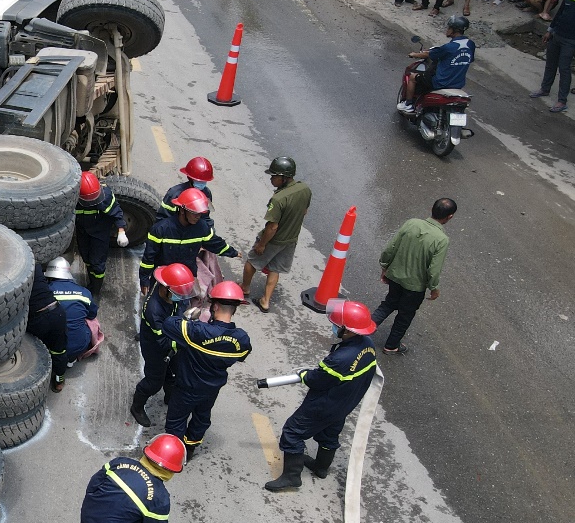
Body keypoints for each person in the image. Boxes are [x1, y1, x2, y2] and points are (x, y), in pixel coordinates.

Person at [264, 300, 378, 492]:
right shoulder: (368, 345)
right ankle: (321, 467)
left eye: (338, 325)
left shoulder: (339, 360)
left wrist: (304, 375)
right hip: (345, 403)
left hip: (324, 404)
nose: (334, 327)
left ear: (348, 330)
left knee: (292, 432)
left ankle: (291, 477)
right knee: (329, 434)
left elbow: (316, 380)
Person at [162, 281, 250, 456]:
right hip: (211, 389)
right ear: (234, 309)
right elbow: (241, 356)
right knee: (201, 418)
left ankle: (174, 454)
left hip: (187, 387)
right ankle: (190, 448)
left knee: (176, 420)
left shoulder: (198, 331)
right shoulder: (242, 339)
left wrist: (187, 318)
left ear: (215, 307)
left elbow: (169, 324)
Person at [371, 198, 455, 355]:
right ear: (450, 217)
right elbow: (434, 270)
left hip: (395, 277)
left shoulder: (412, 223)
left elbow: (391, 247)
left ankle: (361, 330)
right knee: (405, 315)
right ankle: (391, 345)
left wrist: (385, 267)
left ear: (432, 208)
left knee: (388, 304)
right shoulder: (442, 239)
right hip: (415, 287)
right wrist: (434, 288)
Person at [239, 156, 311, 313]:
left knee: (252, 261)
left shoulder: (278, 199)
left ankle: (244, 288)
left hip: (273, 240)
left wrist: (262, 244)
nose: (271, 179)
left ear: (284, 177)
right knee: (275, 268)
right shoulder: (304, 189)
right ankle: (265, 300)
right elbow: (304, 211)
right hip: (291, 239)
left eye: (274, 176)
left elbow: (272, 227)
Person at [129, 263, 196, 428]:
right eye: (178, 294)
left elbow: (180, 306)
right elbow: (163, 341)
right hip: (155, 347)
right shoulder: (154, 311)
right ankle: (136, 407)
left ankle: (170, 396)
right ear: (165, 288)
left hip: (172, 338)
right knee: (153, 382)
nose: (182, 298)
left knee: (174, 372)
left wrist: (184, 319)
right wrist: (184, 338)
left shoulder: (171, 291)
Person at [138, 188, 241, 293]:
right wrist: (144, 279)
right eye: (194, 213)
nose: (198, 217)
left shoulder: (202, 227)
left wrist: (233, 252)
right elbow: (149, 257)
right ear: (182, 210)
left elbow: (215, 244)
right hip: (163, 278)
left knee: (181, 306)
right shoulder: (161, 229)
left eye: (200, 213)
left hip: (187, 278)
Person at [399, 16, 474, 111]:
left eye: (449, 28)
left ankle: (408, 104)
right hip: (458, 83)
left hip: (440, 82)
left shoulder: (448, 47)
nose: (447, 30)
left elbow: (429, 55)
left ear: (454, 30)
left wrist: (414, 54)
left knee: (413, 77)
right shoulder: (470, 44)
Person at [73, 172, 127, 302]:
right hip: (83, 232)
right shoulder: (73, 198)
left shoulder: (106, 195)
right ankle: (91, 281)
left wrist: (121, 231)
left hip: (99, 234)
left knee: (97, 263)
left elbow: (117, 213)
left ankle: (96, 290)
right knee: (86, 258)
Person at [45, 258, 99, 370]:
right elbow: (92, 315)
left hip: (51, 345)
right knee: (91, 322)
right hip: (79, 346)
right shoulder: (84, 292)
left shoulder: (46, 292)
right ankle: (71, 359)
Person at [25, 262, 69, 393]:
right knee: (59, 350)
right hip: (56, 312)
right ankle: (59, 382)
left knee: (34, 351)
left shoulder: (13, 275)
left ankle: (35, 382)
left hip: (36, 319)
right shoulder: (33, 263)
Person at [531, 0, 575, 111]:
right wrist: (550, 30)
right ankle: (545, 89)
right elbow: (560, 12)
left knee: (564, 68)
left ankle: (562, 101)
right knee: (550, 64)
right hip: (557, 35)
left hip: (571, 40)